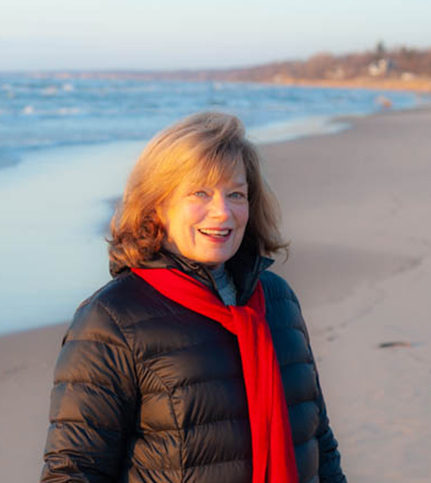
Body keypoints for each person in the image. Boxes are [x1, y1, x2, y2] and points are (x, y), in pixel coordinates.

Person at [39, 112, 346, 483]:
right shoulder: (112, 319)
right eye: (200, 193)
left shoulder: (277, 300)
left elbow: (318, 440)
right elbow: (74, 472)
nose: (223, 212)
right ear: (157, 205)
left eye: (236, 194)